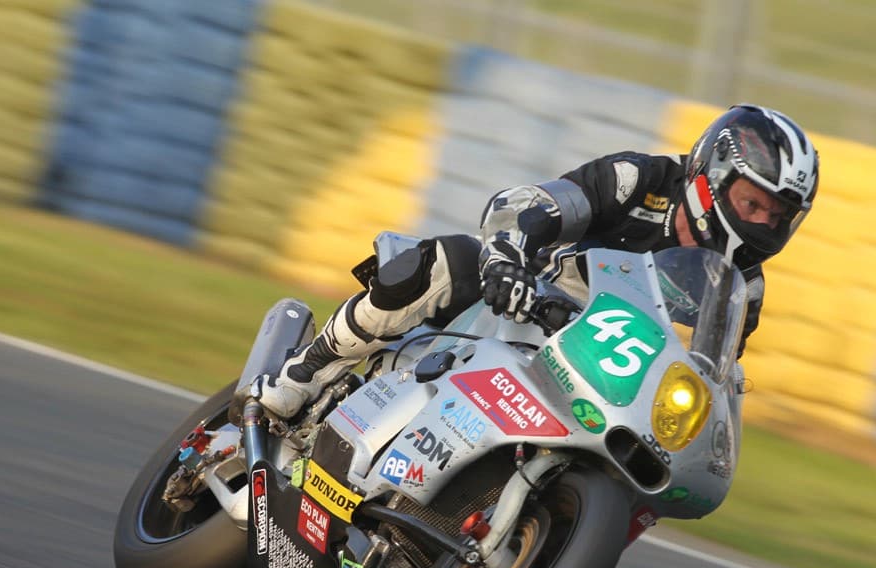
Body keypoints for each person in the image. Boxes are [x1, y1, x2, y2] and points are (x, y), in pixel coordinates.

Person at [256, 104, 819, 419]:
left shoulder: (741, 287)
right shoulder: (637, 180)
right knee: (450, 259)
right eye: (752, 204)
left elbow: (714, 374)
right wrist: (507, 261)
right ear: (711, 176)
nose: (761, 223)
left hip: (599, 378)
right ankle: (306, 369)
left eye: (776, 216)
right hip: (524, 306)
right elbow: (528, 205)